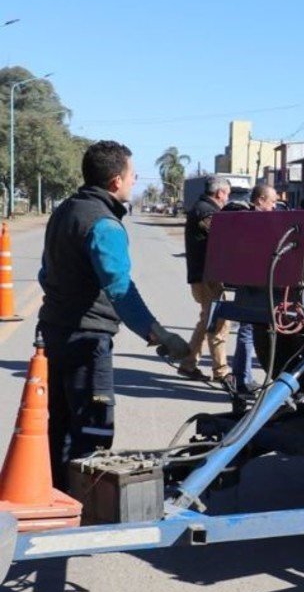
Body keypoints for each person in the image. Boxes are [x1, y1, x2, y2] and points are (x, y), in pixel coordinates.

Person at [37, 140, 190, 489]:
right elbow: (119, 288)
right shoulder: (104, 224)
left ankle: (58, 501)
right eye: (132, 175)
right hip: (87, 341)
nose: (135, 180)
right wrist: (159, 334)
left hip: (53, 332)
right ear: (114, 182)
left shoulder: (65, 210)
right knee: (92, 431)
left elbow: (46, 273)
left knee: (59, 428)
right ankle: (83, 515)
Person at [226, 183, 278, 397]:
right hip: (252, 285)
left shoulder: (254, 219)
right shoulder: (249, 219)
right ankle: (242, 380)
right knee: (248, 332)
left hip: (254, 283)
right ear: (260, 200)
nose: (274, 207)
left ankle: (242, 376)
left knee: (247, 331)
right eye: (272, 202)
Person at [179, 177, 232, 382]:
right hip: (207, 276)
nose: (227, 199)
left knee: (206, 320)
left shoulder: (202, 208)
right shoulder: (206, 211)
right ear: (219, 193)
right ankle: (221, 371)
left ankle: (188, 363)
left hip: (203, 275)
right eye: (226, 194)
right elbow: (223, 238)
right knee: (218, 323)